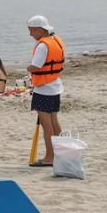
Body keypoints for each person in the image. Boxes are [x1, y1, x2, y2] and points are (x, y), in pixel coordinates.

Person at [27, 15, 65, 167]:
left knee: (47, 125)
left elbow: (36, 66)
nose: (30, 34)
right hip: (55, 86)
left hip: (44, 89)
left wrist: (28, 68)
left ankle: (50, 157)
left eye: (32, 31)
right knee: (54, 122)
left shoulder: (43, 46)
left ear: (40, 30)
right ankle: (60, 153)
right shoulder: (56, 40)